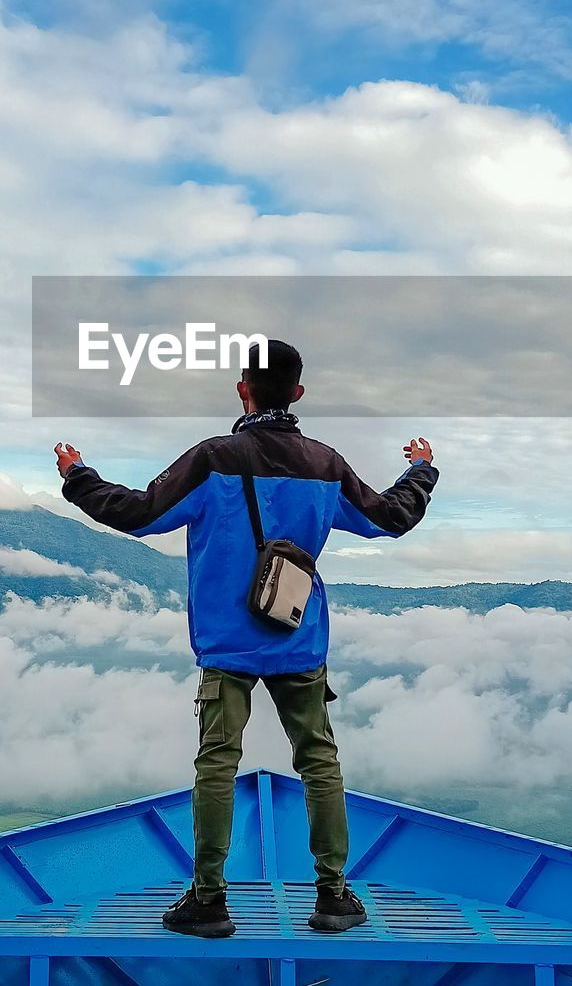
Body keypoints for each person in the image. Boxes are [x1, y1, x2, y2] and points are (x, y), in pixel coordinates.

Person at [54, 340, 437, 938]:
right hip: (299, 639)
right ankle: (334, 897)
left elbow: (135, 512)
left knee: (217, 763)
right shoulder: (327, 465)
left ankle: (208, 902)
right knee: (319, 762)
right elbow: (390, 517)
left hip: (226, 646)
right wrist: (421, 470)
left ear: (243, 389)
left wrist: (78, 474)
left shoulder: (213, 460)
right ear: (298, 394)